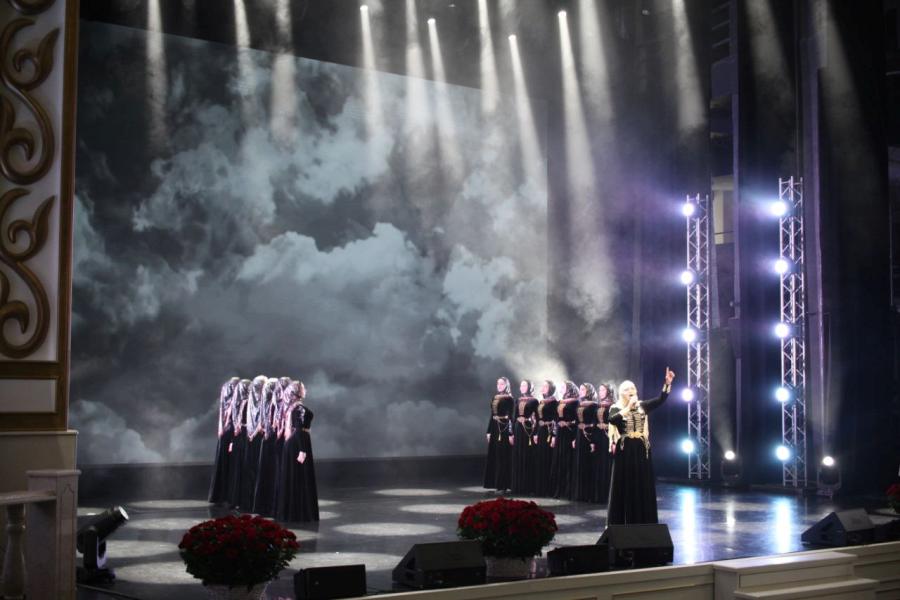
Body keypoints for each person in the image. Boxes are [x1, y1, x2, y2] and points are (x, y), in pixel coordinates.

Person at [606, 368, 675, 525]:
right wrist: (628, 408)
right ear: (621, 393)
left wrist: (667, 384)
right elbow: (612, 420)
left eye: (632, 388)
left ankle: (643, 517)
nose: (630, 391)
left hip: (641, 449)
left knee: (642, 482)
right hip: (625, 449)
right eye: (626, 389)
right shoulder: (616, 408)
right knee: (626, 482)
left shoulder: (642, 405)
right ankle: (624, 518)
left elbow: (660, 400)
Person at [276, 381, 319, 522]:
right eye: (303, 388)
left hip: (297, 442)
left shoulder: (293, 408)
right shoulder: (299, 409)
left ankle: (296, 512)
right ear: (298, 392)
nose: (305, 389)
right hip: (298, 443)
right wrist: (301, 450)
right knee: (299, 476)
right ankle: (298, 513)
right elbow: (299, 429)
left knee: (297, 476)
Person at [208, 377, 239, 504]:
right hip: (231, 431)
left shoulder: (225, 402)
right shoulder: (235, 403)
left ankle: (221, 494)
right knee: (230, 464)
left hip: (225, 431)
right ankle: (227, 494)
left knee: (224, 462)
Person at [253, 377, 279, 516]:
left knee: (266, 473)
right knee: (272, 473)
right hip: (273, 440)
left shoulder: (265, 404)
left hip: (267, 440)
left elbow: (262, 424)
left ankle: (264, 505)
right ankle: (271, 505)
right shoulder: (275, 404)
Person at [483, 377, 515, 492]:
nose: (499, 385)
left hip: (504, 429)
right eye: (498, 383)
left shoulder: (509, 399)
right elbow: (492, 415)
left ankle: (504, 484)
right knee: (495, 455)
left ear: (506, 385)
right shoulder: (494, 397)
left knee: (503, 456)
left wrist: (511, 433)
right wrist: (488, 431)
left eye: (501, 384)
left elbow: (511, 417)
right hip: (495, 428)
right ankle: (495, 483)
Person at [572, 382, 602, 502]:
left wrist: (592, 441)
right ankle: (580, 494)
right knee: (579, 463)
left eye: (583, 390)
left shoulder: (594, 406)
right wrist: (575, 438)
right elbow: (576, 422)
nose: (581, 391)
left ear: (589, 391)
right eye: (580, 389)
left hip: (588, 436)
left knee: (588, 464)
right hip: (579, 435)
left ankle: (588, 494)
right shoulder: (580, 404)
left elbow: (594, 423)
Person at [240, 375, 267, 509]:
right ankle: (252, 501)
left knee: (255, 469)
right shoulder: (252, 400)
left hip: (255, 437)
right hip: (254, 437)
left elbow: (262, 420)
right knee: (253, 469)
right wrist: (252, 433)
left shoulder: (261, 399)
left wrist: (252, 433)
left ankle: (254, 501)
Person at [552, 381, 579, 499]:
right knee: (559, 460)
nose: (561, 388)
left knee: (568, 461)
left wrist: (575, 437)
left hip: (569, 432)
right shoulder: (560, 402)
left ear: (569, 388)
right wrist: (554, 434)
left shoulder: (576, 402)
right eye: (561, 387)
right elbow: (556, 419)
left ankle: (568, 491)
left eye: (563, 387)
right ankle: (559, 490)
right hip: (560, 433)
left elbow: (577, 420)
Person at [511, 380, 539, 495]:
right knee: (518, 455)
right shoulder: (517, 400)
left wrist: (536, 433)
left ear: (529, 387)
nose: (522, 387)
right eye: (521, 385)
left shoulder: (534, 401)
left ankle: (528, 486)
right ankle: (518, 486)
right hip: (518, 429)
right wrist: (511, 433)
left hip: (528, 430)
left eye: (524, 385)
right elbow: (514, 417)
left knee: (528, 455)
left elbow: (538, 418)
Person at [226, 379, 252, 507]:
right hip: (243, 437)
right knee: (243, 468)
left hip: (238, 437)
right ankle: (242, 500)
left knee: (238, 468)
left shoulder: (237, 403)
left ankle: (236, 499)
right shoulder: (247, 403)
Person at [533, 380, 558, 497]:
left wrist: (554, 436)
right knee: (540, 459)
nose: (543, 388)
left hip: (549, 432)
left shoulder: (554, 403)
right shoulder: (541, 402)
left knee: (548, 459)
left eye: (545, 386)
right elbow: (538, 419)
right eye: (542, 386)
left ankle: (549, 489)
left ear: (551, 389)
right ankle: (540, 488)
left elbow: (556, 420)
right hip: (541, 432)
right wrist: (535, 433)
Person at [594, 382, 615, 502]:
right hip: (599, 437)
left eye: (603, 390)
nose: (600, 392)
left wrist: (607, 426)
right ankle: (599, 494)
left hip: (609, 437)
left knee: (607, 464)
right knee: (599, 463)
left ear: (608, 391)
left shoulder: (613, 406)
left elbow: (616, 423)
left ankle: (608, 494)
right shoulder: (599, 405)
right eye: (599, 390)